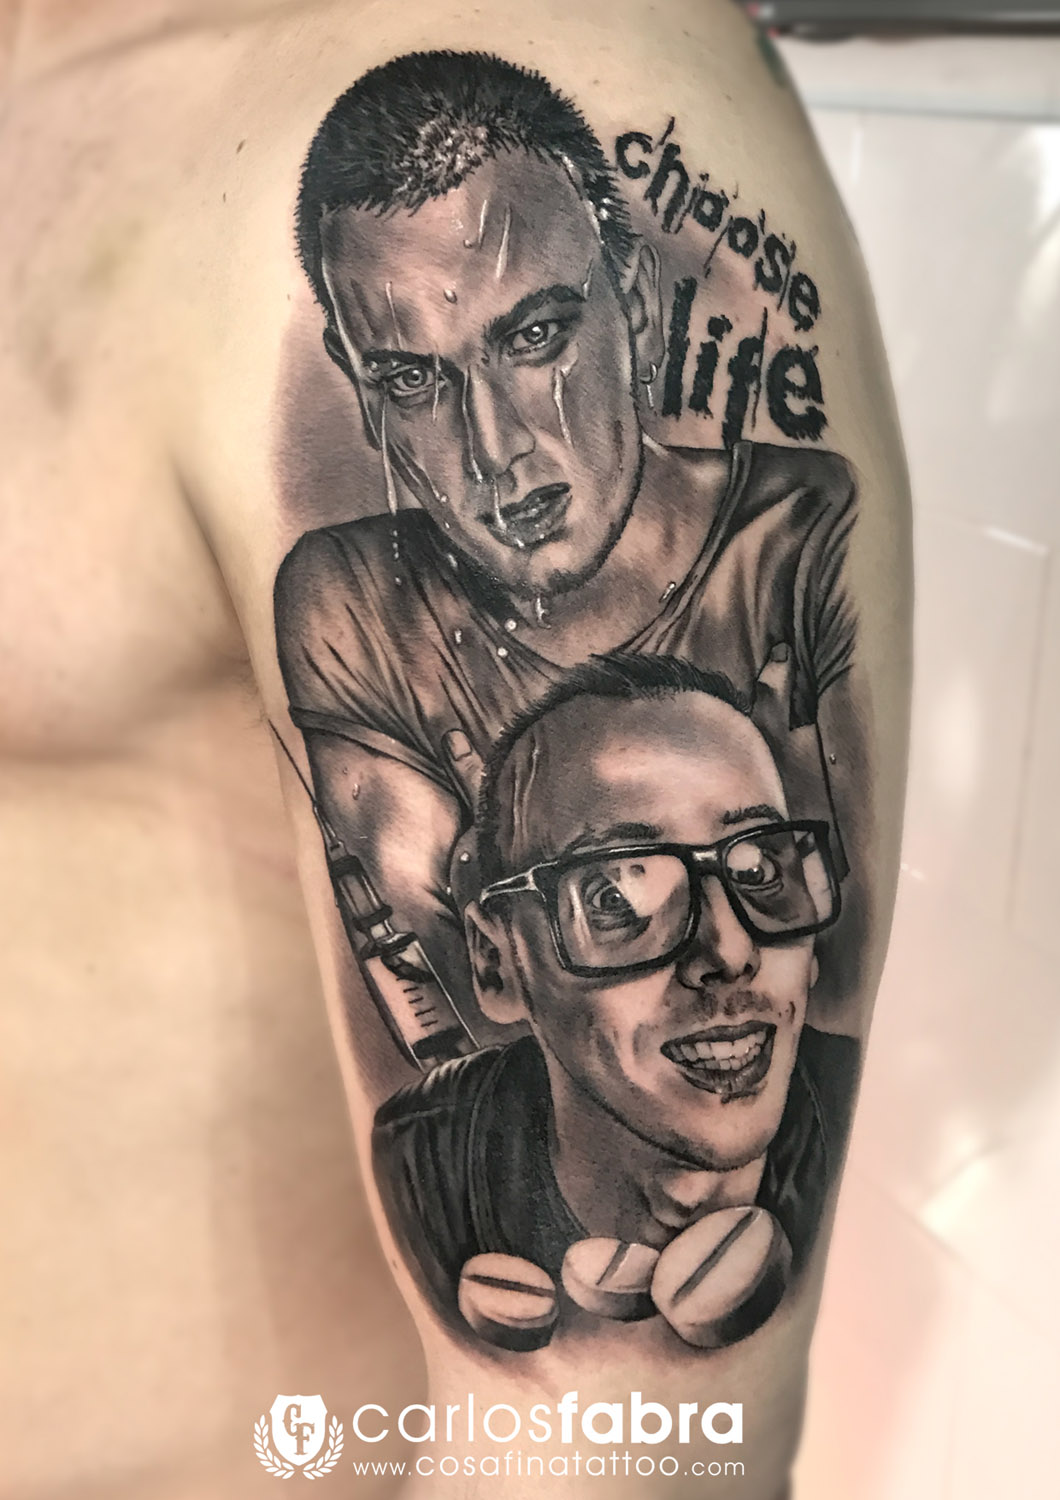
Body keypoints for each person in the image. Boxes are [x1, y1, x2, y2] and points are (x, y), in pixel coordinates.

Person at [274, 49, 865, 1014]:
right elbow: (484, 1012)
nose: (494, 448)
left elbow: (837, 1010)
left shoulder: (803, 541)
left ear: (636, 304)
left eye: (534, 337)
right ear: (360, 385)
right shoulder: (353, 606)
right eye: (414, 380)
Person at [373, 654, 859, 1325]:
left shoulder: (868, 1120)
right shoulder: (424, 1168)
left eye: (757, 870)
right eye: (616, 896)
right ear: (497, 962)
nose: (730, 952)